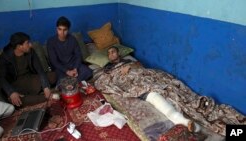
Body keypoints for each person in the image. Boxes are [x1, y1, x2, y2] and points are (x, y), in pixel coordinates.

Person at [95, 46, 246, 135]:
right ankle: (185, 122)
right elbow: (103, 82)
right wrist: (116, 74)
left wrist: (131, 66)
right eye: (110, 53)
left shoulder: (129, 61)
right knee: (153, 94)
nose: (112, 54)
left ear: (119, 53)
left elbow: (142, 69)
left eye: (114, 51)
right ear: (107, 57)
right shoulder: (107, 69)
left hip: (145, 76)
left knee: (175, 88)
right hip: (136, 84)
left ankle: (235, 129)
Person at [0, 32, 56, 107]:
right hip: (15, 84)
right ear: (19, 46)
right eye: (27, 43)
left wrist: (45, 86)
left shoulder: (30, 52)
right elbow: (1, 78)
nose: (30, 45)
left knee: (54, 75)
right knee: (18, 100)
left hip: (30, 79)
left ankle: (40, 93)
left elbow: (40, 70)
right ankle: (45, 97)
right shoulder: (5, 57)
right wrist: (11, 92)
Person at [47, 16, 92, 84]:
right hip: (61, 68)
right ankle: (73, 82)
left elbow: (78, 55)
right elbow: (54, 62)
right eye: (60, 29)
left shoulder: (72, 39)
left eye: (65, 30)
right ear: (56, 29)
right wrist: (67, 71)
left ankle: (71, 83)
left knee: (88, 72)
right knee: (60, 81)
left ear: (68, 30)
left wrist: (75, 69)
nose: (62, 32)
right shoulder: (51, 42)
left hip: (73, 65)